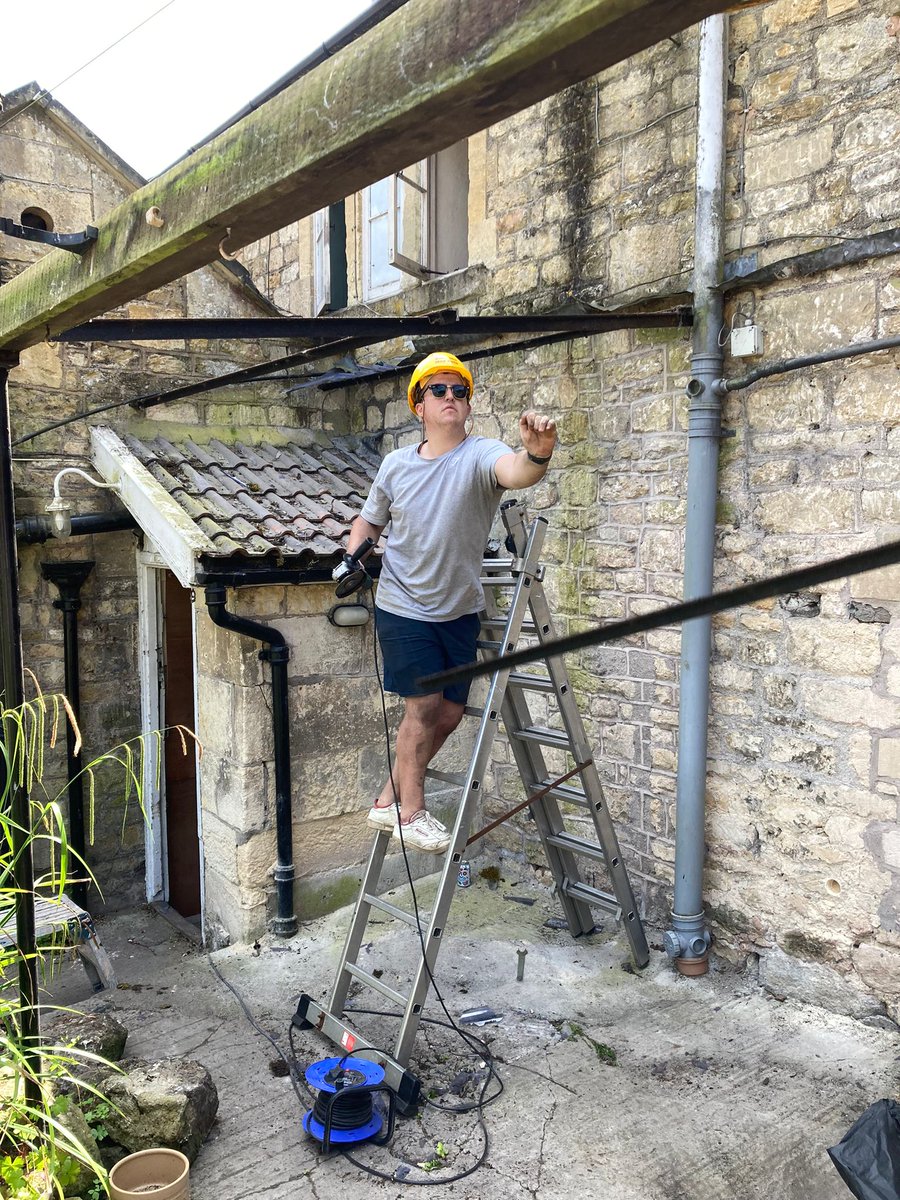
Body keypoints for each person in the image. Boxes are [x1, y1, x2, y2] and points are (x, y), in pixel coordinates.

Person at [342, 351, 557, 853]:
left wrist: (538, 453)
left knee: (451, 712)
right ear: (419, 404)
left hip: (458, 609)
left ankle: (387, 800)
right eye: (439, 390)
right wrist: (353, 555)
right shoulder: (396, 465)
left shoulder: (481, 454)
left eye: (459, 391)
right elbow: (370, 521)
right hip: (402, 605)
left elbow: (517, 471)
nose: (451, 399)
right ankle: (411, 812)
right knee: (421, 709)